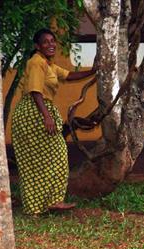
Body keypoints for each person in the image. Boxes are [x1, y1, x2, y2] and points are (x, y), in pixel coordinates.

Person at [11, 28, 96, 215]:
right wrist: (46, 116)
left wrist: (94, 70)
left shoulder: (48, 64)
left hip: (38, 112)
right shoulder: (36, 62)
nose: (51, 44)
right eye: (45, 42)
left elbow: (69, 75)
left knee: (43, 160)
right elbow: (35, 91)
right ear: (37, 46)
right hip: (33, 114)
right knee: (48, 157)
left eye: (52, 41)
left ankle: (43, 205)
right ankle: (48, 203)